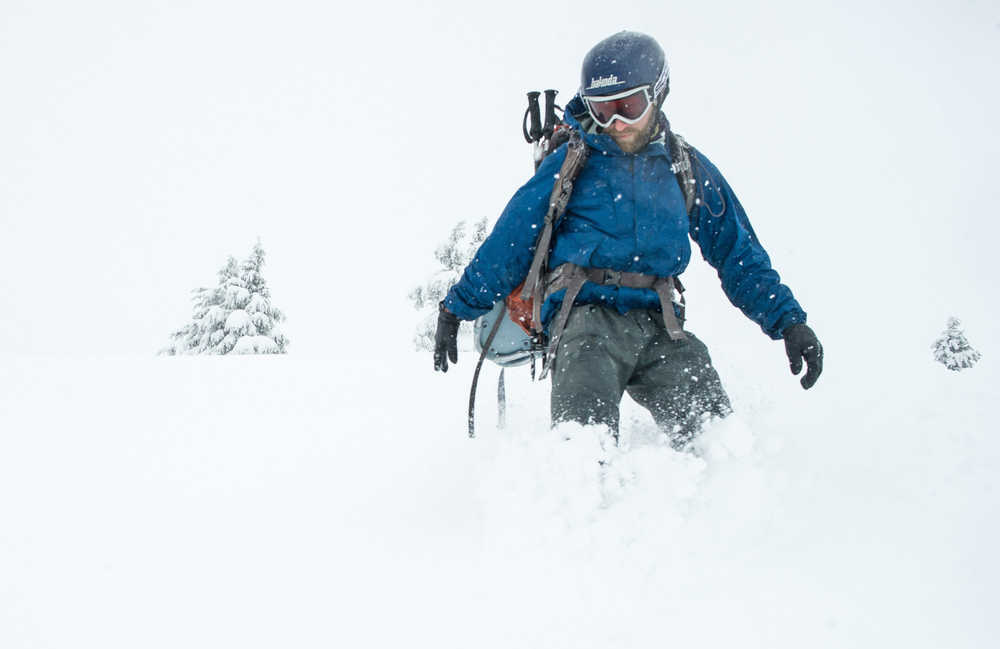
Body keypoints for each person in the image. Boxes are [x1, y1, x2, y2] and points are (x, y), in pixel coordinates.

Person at [433, 31, 822, 449]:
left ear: (657, 94)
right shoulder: (573, 163)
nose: (615, 122)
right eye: (602, 110)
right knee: (582, 450)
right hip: (585, 321)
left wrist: (789, 322)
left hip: (663, 327)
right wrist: (456, 309)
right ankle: (577, 501)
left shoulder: (684, 168)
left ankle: (717, 503)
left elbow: (737, 252)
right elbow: (511, 240)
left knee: (716, 440)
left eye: (628, 107)